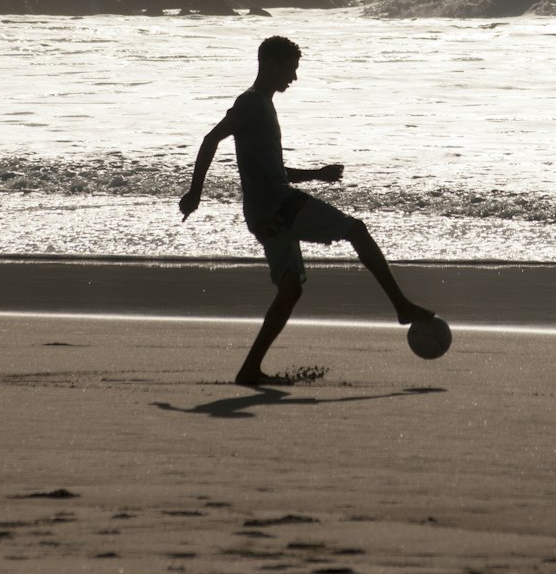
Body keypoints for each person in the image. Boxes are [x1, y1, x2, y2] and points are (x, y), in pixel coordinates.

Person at [179, 35, 434, 385]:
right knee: (356, 230)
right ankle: (402, 306)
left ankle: (250, 369)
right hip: (278, 206)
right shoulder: (252, 102)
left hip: (262, 214)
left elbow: (272, 170)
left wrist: (316, 174)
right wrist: (195, 191)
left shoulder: (262, 105)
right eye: (290, 69)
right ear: (270, 64)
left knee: (291, 289)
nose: (293, 78)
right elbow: (211, 139)